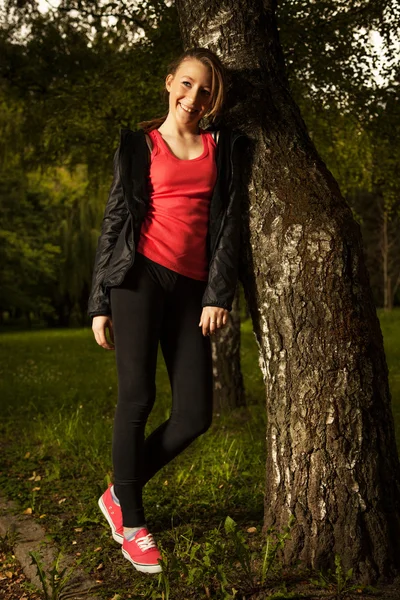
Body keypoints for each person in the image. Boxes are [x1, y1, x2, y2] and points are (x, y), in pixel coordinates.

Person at [87, 46, 246, 575]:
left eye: (205, 90)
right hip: (139, 278)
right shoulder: (139, 145)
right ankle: (132, 524)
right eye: (186, 84)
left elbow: (228, 228)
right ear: (169, 83)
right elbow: (115, 220)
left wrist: (218, 293)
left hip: (192, 288)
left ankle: (119, 491)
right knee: (138, 396)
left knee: (195, 414)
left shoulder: (223, 148)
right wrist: (100, 301)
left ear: (213, 98)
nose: (193, 97)